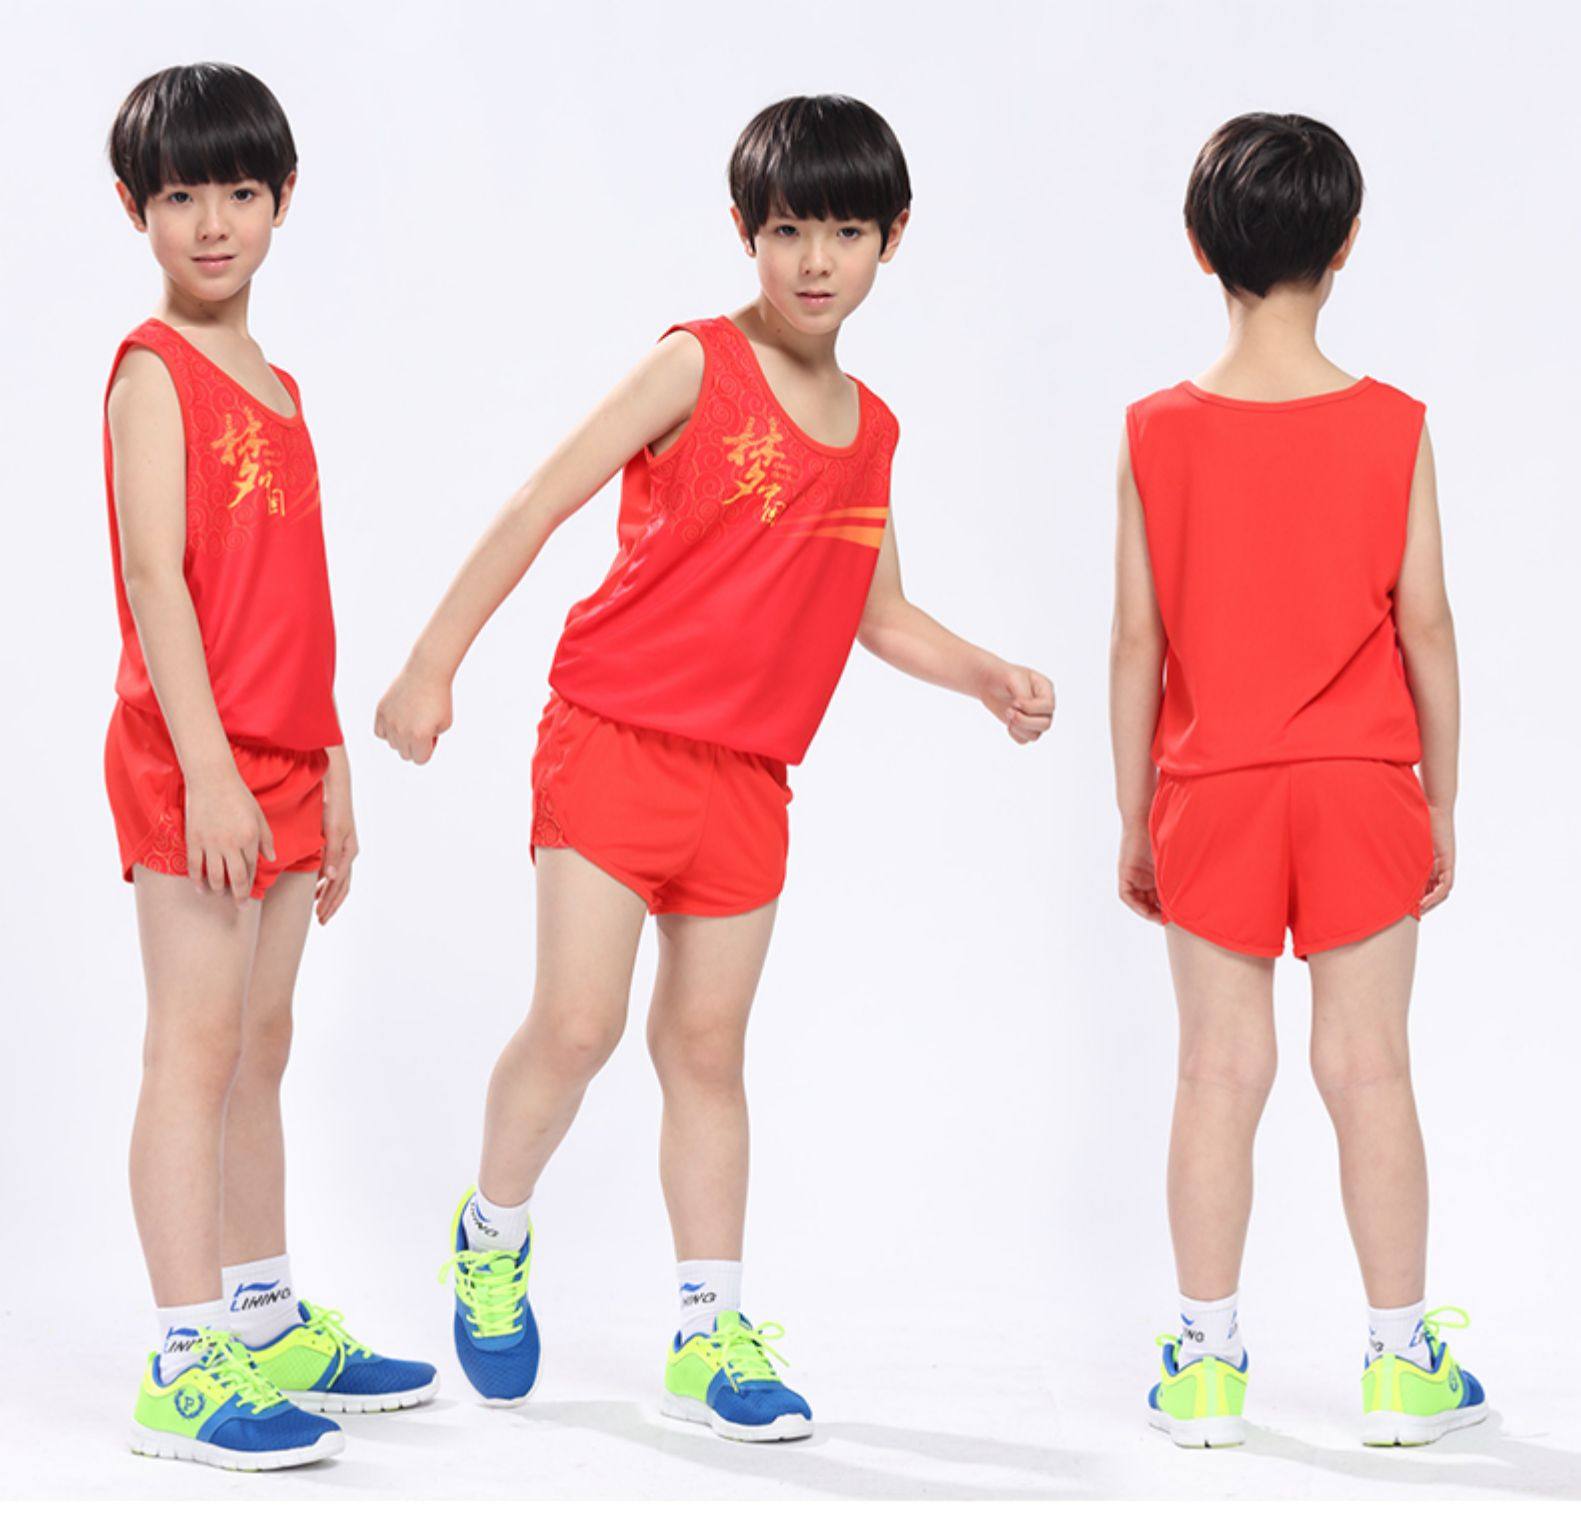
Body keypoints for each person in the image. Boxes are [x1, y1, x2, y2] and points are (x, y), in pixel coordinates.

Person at [376, 93, 1054, 1441]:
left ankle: (708, 1329)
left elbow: (875, 610)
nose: (815, 260)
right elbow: (540, 499)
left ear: (892, 238)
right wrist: (431, 663)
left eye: (845, 232)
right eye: (788, 230)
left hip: (748, 778)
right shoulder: (695, 362)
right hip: (613, 737)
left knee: (704, 1049)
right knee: (578, 1026)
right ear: (746, 232)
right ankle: (491, 1231)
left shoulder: (872, 430)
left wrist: (984, 673)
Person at [1110, 112, 1484, 1449]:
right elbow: (1426, 624)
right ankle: (1399, 1365)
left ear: (1196, 243)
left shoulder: (1155, 430)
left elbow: (1137, 641)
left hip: (1209, 785)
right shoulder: (1394, 426)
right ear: (1347, 244)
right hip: (1357, 781)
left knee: (1217, 1072)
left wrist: (1133, 813)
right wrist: (1440, 796)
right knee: (1369, 1069)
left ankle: (1207, 1369)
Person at [104, 63, 435, 1470]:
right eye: (181, 195)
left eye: (239, 192)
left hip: (284, 760)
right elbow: (157, 583)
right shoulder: (152, 371)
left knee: (262, 1044)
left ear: (283, 199)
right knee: (193, 1049)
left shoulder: (282, 388)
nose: (213, 223)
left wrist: (328, 758)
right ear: (136, 206)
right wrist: (213, 770)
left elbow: (290, 592)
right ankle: (185, 1363)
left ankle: (265, 1317)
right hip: (196, 766)